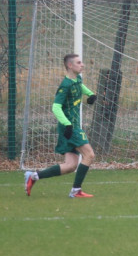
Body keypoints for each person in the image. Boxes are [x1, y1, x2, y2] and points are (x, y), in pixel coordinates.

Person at [24, 54, 98, 198]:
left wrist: (90, 94)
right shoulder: (65, 85)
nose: (82, 65)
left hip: (71, 126)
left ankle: (33, 176)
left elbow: (80, 86)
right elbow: (56, 107)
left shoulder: (77, 79)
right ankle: (76, 190)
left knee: (70, 165)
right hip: (70, 127)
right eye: (79, 62)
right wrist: (67, 124)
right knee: (89, 155)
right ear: (70, 65)